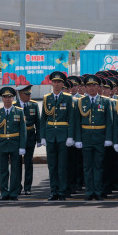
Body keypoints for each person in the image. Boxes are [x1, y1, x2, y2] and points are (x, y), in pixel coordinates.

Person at [74, 74, 113, 200]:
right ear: (86, 88)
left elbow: (109, 122)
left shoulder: (105, 101)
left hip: (100, 138)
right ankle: (89, 192)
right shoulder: (81, 102)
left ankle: (98, 191)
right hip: (86, 138)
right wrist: (78, 139)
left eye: (94, 85)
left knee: (99, 166)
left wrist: (108, 138)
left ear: (98, 87)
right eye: (89, 86)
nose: (91, 88)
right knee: (87, 167)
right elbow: (77, 122)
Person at [40, 71, 75, 201]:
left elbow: (71, 118)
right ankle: (53, 191)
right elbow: (43, 119)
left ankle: (62, 191)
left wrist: (70, 136)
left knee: (62, 165)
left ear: (62, 84)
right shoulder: (47, 98)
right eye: (54, 82)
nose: (56, 84)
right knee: (52, 165)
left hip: (63, 135)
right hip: (50, 135)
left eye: (59, 82)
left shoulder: (67, 98)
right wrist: (42, 136)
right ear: (51, 83)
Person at [0, 86, 25, 201]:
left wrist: (22, 146)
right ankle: (4, 192)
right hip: (2, 144)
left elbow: (23, 131)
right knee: (3, 170)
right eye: (5, 97)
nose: (7, 99)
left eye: (9, 97)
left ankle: (14, 193)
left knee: (15, 170)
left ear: (13, 98)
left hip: (15, 143)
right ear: (2, 98)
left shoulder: (19, 111)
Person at [15, 85, 41, 195]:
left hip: (30, 137)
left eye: (30, 94)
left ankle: (28, 187)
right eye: (27, 94)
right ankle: (17, 187)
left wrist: (39, 139)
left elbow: (38, 123)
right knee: (16, 164)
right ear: (20, 94)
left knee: (28, 163)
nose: (29, 96)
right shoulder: (14, 106)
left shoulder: (33, 105)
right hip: (17, 138)